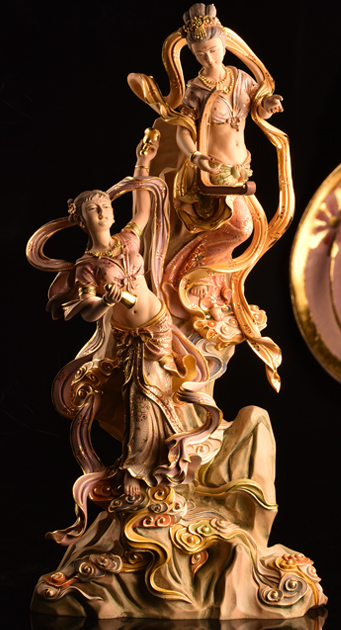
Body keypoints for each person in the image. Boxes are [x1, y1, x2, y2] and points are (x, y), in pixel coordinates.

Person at [27, 135, 219, 545]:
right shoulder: (86, 266)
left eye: (105, 206)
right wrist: (104, 301)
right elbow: (90, 312)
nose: (103, 211)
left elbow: (144, 209)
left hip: (158, 324)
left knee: (159, 391)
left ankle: (165, 464)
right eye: (94, 208)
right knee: (139, 395)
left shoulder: (129, 239)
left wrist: (142, 164)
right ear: (82, 219)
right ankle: (138, 471)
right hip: (128, 336)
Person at [129, 3, 291, 390]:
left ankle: (204, 282)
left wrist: (267, 106)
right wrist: (194, 156)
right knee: (241, 227)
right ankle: (192, 278)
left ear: (224, 44)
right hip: (210, 174)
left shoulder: (239, 79)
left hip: (240, 170)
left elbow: (257, 108)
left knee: (247, 229)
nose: (209, 58)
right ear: (193, 54)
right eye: (200, 54)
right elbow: (184, 129)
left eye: (214, 50)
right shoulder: (196, 88)